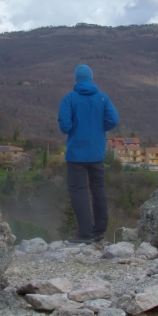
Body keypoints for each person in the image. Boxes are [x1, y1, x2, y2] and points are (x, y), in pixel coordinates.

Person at [57, 64, 119, 243]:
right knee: (98, 189)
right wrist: (100, 128)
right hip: (97, 153)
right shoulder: (102, 98)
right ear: (91, 78)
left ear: (76, 79)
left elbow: (65, 126)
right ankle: (99, 230)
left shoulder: (69, 99)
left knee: (79, 191)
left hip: (76, 154)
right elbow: (113, 120)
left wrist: (74, 129)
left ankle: (84, 234)